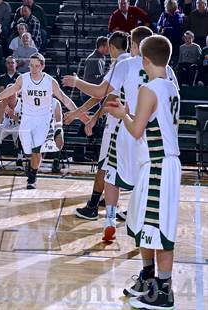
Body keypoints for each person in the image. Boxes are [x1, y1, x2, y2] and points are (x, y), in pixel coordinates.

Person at [62, 26, 178, 242]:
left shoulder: (125, 64)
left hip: (128, 126)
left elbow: (100, 93)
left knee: (112, 173)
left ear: (135, 45)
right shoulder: (167, 70)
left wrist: (77, 82)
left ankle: (110, 219)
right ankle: (142, 223)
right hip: (155, 137)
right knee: (144, 182)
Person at [105, 34, 180, 310]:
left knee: (158, 229)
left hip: (159, 163)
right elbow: (147, 123)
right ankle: (149, 279)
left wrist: (121, 115)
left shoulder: (149, 89)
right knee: (141, 224)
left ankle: (164, 291)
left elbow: (136, 130)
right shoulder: (172, 87)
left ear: (145, 60)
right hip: (155, 163)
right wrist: (127, 111)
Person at [0, 53, 89, 189]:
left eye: (37, 66)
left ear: (42, 66)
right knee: (28, 151)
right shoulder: (22, 79)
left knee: (36, 150)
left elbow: (65, 99)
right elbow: (11, 90)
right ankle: (32, 166)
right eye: (31, 65)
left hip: (43, 120)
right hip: (26, 119)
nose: (33, 69)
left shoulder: (50, 81)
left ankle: (32, 177)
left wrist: (80, 114)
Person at [73, 31, 131, 220]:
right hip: (133, 121)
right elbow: (110, 96)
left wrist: (76, 82)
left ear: (112, 48)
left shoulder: (119, 65)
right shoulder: (136, 63)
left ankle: (92, 206)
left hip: (117, 123)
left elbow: (101, 94)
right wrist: (88, 114)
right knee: (120, 165)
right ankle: (113, 199)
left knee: (104, 164)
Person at [0, 83, 23, 169]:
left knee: (22, 131)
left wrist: (11, 115)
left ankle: (19, 160)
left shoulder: (23, 103)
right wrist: (1, 110)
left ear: (17, 93)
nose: (10, 95)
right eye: (8, 92)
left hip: (18, 126)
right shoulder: (2, 103)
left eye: (12, 92)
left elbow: (24, 122)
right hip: (6, 126)